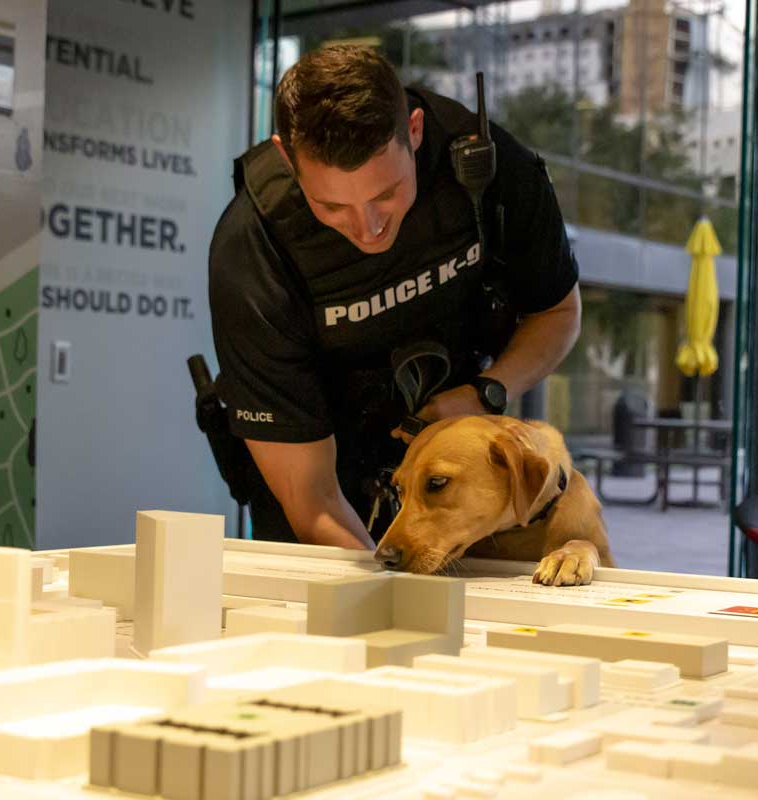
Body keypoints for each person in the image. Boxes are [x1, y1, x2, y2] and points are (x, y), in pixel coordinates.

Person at [208, 46, 581, 549]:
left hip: (457, 459)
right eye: (331, 205)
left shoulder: (487, 167)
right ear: (286, 159)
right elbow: (311, 500)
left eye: (386, 193)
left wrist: (486, 392)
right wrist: (388, 600)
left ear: (416, 131)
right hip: (322, 475)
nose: (368, 228)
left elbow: (558, 311)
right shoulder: (252, 251)